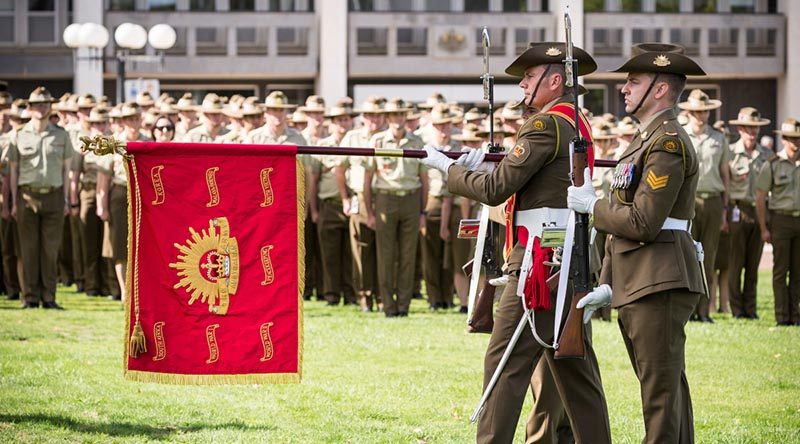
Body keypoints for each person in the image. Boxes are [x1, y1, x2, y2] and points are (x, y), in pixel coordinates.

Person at [424, 42, 611, 443]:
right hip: (569, 256)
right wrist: (497, 159)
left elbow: (495, 189)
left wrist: (449, 168)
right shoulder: (575, 121)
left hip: (539, 261)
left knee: (504, 363)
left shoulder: (545, 124)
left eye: (529, 77)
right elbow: (535, 177)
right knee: (575, 372)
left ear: (555, 80)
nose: (523, 85)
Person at [567, 43, 706, 443]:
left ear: (660, 89)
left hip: (659, 278)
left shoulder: (667, 142)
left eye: (634, 81)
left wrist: (593, 204)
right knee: (666, 389)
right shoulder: (645, 140)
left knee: (660, 396)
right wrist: (609, 281)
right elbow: (623, 217)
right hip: (641, 278)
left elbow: (643, 221)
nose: (624, 89)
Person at [9, 87, 75, 309]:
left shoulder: (61, 135)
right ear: (29, 108)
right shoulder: (19, 135)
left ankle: (49, 297)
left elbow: (67, 172)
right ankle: (30, 297)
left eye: (46, 104)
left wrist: (66, 199)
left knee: (50, 249)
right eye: (37, 104)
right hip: (26, 196)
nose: (42, 108)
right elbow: (14, 171)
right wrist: (13, 201)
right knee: (28, 249)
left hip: (54, 196)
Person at [364, 98, 428, 318]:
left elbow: (424, 178)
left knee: (408, 256)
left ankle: (403, 306)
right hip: (385, 198)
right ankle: (388, 306)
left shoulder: (417, 141)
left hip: (411, 198)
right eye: (394, 115)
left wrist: (422, 211)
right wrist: (370, 211)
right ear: (388, 118)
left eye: (402, 115)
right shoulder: (378, 140)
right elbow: (367, 179)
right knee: (385, 255)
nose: (398, 119)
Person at [679, 89, 730, 322]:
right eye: (698, 112)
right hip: (689, 200)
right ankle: (688, 311)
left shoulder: (719, 138)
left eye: (705, 112)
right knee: (688, 256)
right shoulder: (681, 135)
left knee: (707, 258)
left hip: (713, 202)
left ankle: (704, 311)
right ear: (688, 112)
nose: (702, 116)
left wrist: (725, 209)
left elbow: (725, 174)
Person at [336, 96, 385, 311]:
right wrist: (345, 198)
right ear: (364, 117)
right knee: (361, 249)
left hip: (385, 195)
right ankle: (365, 298)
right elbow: (340, 169)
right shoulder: (352, 137)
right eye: (370, 115)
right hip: (359, 197)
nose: (374, 119)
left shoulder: (388, 137)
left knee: (386, 250)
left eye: (378, 114)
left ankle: (384, 296)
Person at [307, 101, 358, 306]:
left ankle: (352, 293)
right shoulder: (322, 146)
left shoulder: (357, 142)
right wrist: (314, 209)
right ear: (332, 123)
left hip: (353, 202)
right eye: (339, 120)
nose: (343, 124)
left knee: (351, 253)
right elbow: (313, 179)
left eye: (346, 119)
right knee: (328, 254)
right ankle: (331, 294)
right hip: (328, 202)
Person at [727, 107, 771, 319]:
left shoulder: (767, 156)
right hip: (738, 209)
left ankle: (751, 309)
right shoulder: (730, 152)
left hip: (760, 212)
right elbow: (726, 186)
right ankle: (737, 310)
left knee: (753, 265)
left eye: (755, 128)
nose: (752, 132)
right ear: (740, 129)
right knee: (736, 263)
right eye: (748, 128)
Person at [755, 118, 800, 327]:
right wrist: (764, 227)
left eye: (798, 139)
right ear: (783, 139)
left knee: (798, 271)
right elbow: (761, 197)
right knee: (781, 270)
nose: (795, 143)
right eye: (791, 138)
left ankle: (796, 316)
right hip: (780, 219)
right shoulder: (772, 164)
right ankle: (782, 316)